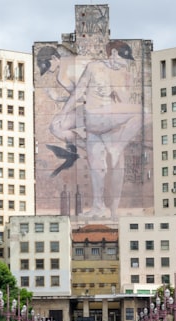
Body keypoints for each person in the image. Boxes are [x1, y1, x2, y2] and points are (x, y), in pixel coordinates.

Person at [56, 40, 144, 218]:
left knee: (106, 168)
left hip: (109, 123)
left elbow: (123, 102)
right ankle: (98, 206)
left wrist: (120, 85)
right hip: (93, 120)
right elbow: (79, 91)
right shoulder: (94, 67)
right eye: (124, 59)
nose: (125, 64)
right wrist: (64, 112)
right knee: (96, 168)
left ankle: (109, 209)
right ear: (114, 54)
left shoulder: (122, 74)